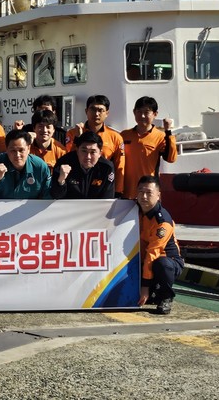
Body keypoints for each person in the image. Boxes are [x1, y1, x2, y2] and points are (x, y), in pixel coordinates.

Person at [135, 175, 184, 315]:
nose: (144, 196)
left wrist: (145, 287)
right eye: (140, 192)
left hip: (166, 260)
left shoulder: (162, 221)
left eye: (148, 193)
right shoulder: (134, 210)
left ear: (158, 195)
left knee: (161, 264)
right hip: (143, 259)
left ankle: (166, 297)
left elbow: (153, 253)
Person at [65, 95, 125, 197]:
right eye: (92, 109)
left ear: (107, 113)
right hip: (77, 185)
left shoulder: (115, 137)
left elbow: (119, 166)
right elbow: (68, 158)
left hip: (102, 186)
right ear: (86, 111)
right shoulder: (72, 133)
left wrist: (118, 191)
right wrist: (78, 138)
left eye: (100, 110)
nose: (96, 113)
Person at [121, 96, 177, 199]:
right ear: (134, 112)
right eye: (139, 111)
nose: (142, 116)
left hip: (148, 193)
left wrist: (168, 132)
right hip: (126, 192)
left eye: (146, 112)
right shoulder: (124, 135)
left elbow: (171, 158)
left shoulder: (160, 136)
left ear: (155, 114)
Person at [0, 129, 50, 201]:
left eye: (21, 150)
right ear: (7, 149)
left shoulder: (39, 166)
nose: (17, 155)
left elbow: (48, 197)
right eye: (13, 151)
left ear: (28, 149)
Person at [50, 131, 115, 199]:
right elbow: (56, 196)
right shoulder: (64, 162)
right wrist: (61, 181)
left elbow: (108, 198)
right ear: (77, 150)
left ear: (100, 153)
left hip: (96, 205)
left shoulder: (106, 167)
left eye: (93, 152)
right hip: (69, 204)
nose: (88, 157)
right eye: (84, 151)